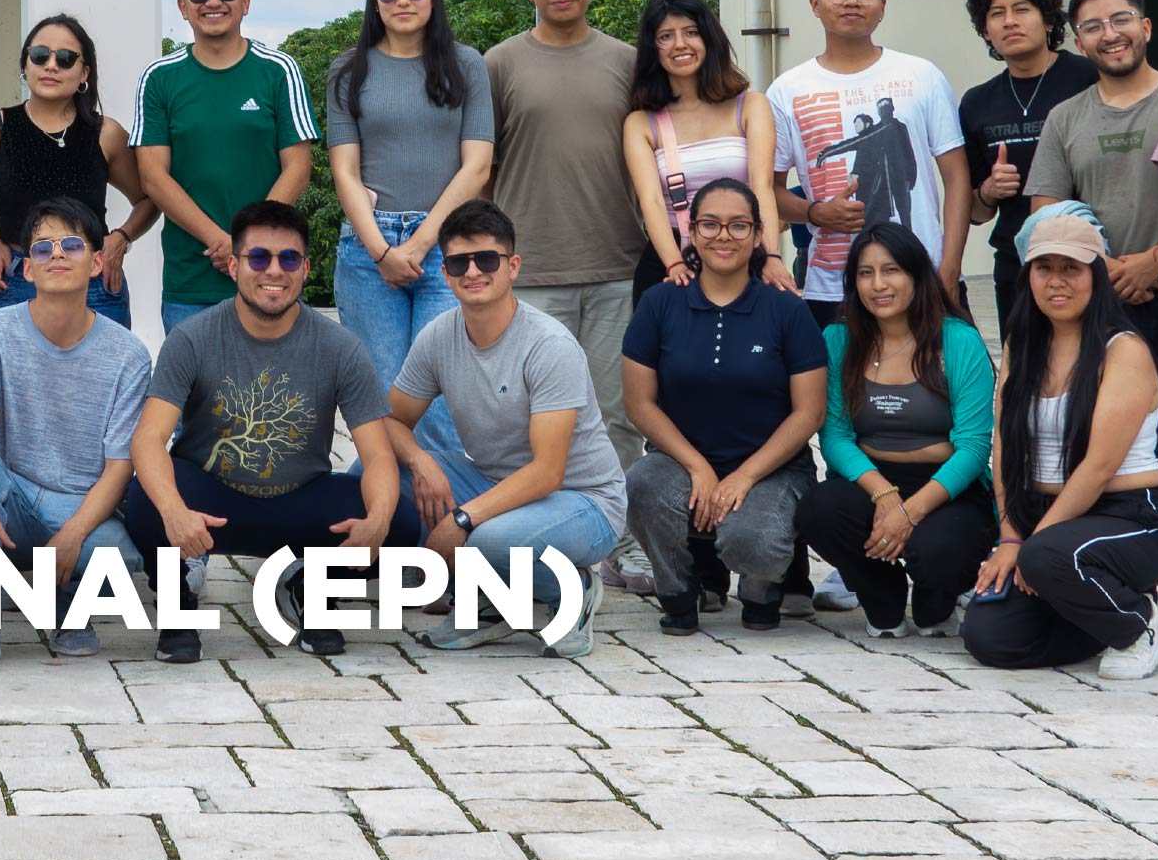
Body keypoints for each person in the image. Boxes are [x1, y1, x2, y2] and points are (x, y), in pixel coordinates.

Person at [1029, 0, 1158, 621]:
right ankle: (1087, 576)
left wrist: (1157, 258)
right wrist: (1108, 267)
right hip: (1102, 307)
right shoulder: (1066, 117)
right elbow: (1045, 210)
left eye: (1119, 19)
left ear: (1145, 27)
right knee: (1087, 449)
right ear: (1077, 41)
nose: (1108, 34)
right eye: (1091, 25)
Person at [123, 200, 401, 662]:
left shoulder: (340, 348)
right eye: (259, 258)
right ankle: (179, 606)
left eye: (288, 258)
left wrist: (379, 520)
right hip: (212, 500)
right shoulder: (191, 337)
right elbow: (148, 440)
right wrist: (174, 511)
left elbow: (378, 456)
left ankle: (311, 589)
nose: (274, 270)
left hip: (300, 499)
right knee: (146, 499)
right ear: (233, 265)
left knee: (400, 522)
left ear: (305, 268)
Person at [386, 199, 630, 658]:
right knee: (373, 471)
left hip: (585, 501)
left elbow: (548, 473)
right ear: (445, 273)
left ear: (512, 265)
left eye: (487, 259)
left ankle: (573, 589)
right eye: (459, 262)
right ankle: (498, 602)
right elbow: (392, 421)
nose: (473, 271)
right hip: (497, 484)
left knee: (488, 537)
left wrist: (461, 519)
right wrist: (420, 462)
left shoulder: (549, 345)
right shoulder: (439, 335)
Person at [961, 206, 1158, 679]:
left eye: (1071, 269)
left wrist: (1032, 547)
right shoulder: (1022, 344)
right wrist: (1010, 536)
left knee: (1047, 556)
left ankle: (1138, 623)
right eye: (1044, 268)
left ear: (1096, 275)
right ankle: (1096, 609)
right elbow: (1003, 448)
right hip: (1048, 524)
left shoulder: (1123, 350)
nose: (1056, 281)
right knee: (989, 638)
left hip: (1129, 517)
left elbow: (1100, 467)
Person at [0, 192, 149, 674]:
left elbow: (121, 464)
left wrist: (74, 533)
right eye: (42, 248)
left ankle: (66, 608)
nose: (56, 254)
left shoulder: (129, 354)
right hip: (12, 494)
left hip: (80, 505)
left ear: (98, 263)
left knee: (120, 557)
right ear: (27, 268)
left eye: (72, 245)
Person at [618, 175, 826, 634]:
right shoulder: (660, 303)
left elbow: (809, 412)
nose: (723, 236)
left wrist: (744, 476)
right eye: (710, 225)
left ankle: (760, 586)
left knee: (751, 540)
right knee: (642, 483)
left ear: (757, 237)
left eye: (738, 226)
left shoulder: (786, 309)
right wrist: (698, 467)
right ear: (691, 232)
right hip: (680, 463)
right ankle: (678, 588)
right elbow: (640, 404)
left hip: (771, 469)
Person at [484, 0, 649, 495]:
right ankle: (536, 537)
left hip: (617, 268)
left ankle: (619, 540)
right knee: (529, 418)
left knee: (617, 416)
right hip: (531, 272)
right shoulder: (499, 64)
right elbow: (482, 169)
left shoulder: (628, 62)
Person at [325, 0, 497, 476]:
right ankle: (389, 524)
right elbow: (344, 172)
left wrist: (420, 244)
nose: (403, 0)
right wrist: (381, 250)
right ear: (374, 2)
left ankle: (441, 532)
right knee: (380, 394)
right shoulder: (348, 69)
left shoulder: (465, 63)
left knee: (440, 395)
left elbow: (477, 167)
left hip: (446, 248)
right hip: (367, 251)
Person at [798, 222, 998, 639]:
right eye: (865, 273)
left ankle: (936, 601)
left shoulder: (958, 340)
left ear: (915, 275)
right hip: (869, 481)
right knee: (818, 509)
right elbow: (834, 436)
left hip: (949, 488)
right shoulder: (838, 339)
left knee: (939, 552)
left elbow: (975, 446)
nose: (878, 285)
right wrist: (884, 494)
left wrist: (911, 511)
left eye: (891, 271)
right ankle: (880, 597)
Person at [769, 0, 971, 316]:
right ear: (815, 3)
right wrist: (815, 213)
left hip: (923, 278)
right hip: (834, 288)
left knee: (944, 373)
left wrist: (949, 269)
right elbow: (770, 191)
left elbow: (957, 179)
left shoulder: (920, 75)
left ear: (882, 4)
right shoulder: (787, 90)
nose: (852, 1)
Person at [134, 0, 316, 334]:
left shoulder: (279, 71)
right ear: (183, 6)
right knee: (199, 395)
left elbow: (298, 167)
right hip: (191, 280)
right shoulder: (159, 78)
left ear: (245, 1)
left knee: (277, 392)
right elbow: (152, 177)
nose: (213, 1)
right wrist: (219, 240)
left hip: (271, 273)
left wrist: (247, 245)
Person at [0, 12, 149, 325]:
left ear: (84, 71)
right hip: (19, 278)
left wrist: (122, 238)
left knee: (101, 374)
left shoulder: (107, 134)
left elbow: (149, 196)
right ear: (25, 64)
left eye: (65, 58)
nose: (51, 65)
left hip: (94, 284)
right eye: (39, 55)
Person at [957, 0, 1095, 350]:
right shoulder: (977, 102)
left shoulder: (1089, 79)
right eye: (996, 14)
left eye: (1021, 9)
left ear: (1049, 19)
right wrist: (988, 190)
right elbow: (975, 212)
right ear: (985, 30)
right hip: (1016, 264)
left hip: (1089, 257)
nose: (1009, 22)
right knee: (1025, 376)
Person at [623, 0, 783, 299]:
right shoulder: (641, 123)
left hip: (743, 252)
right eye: (665, 36)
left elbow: (762, 186)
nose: (680, 44)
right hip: (672, 259)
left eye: (691, 32)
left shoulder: (751, 105)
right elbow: (651, 202)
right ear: (651, 48)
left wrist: (772, 255)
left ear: (709, 38)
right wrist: (674, 265)